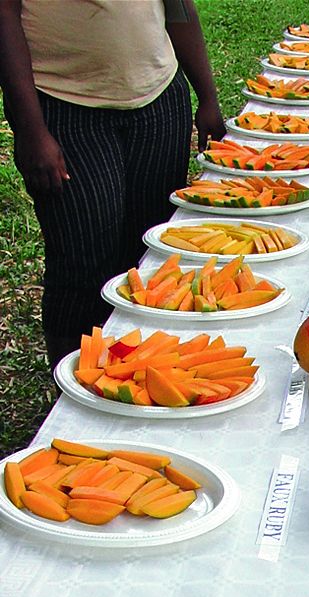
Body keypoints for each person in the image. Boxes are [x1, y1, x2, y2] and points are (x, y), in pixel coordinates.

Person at [0, 0, 225, 370]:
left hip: (158, 96)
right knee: (82, 259)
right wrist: (31, 130)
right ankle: (73, 382)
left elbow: (179, 6)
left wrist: (208, 96)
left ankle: (143, 370)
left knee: (151, 251)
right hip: (63, 100)